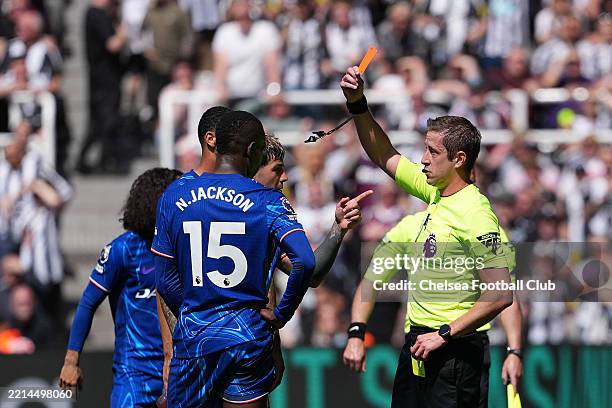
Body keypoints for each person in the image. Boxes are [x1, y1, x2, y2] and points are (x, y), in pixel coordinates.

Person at [340, 66, 513, 407]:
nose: (422, 159)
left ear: (459, 159)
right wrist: (358, 103)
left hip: (455, 350)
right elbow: (383, 154)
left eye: (433, 152)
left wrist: (445, 334)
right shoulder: (434, 192)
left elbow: (501, 293)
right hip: (418, 343)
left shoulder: (476, 214)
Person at [152, 110, 315, 407]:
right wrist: (282, 314)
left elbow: (163, 276)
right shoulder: (268, 201)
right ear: (253, 151)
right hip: (248, 335)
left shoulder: (175, 195)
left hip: (196, 336)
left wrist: (194, 310)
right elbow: (305, 261)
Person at [342, 211, 524, 406]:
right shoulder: (409, 227)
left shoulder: (485, 228)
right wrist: (356, 333)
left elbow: (504, 294)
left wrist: (514, 352)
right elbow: (370, 282)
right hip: (418, 345)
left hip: (468, 347)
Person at [58, 168, 182, 407]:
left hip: (180, 369)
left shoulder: (183, 249)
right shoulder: (122, 250)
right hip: (135, 375)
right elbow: (87, 303)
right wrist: (71, 361)